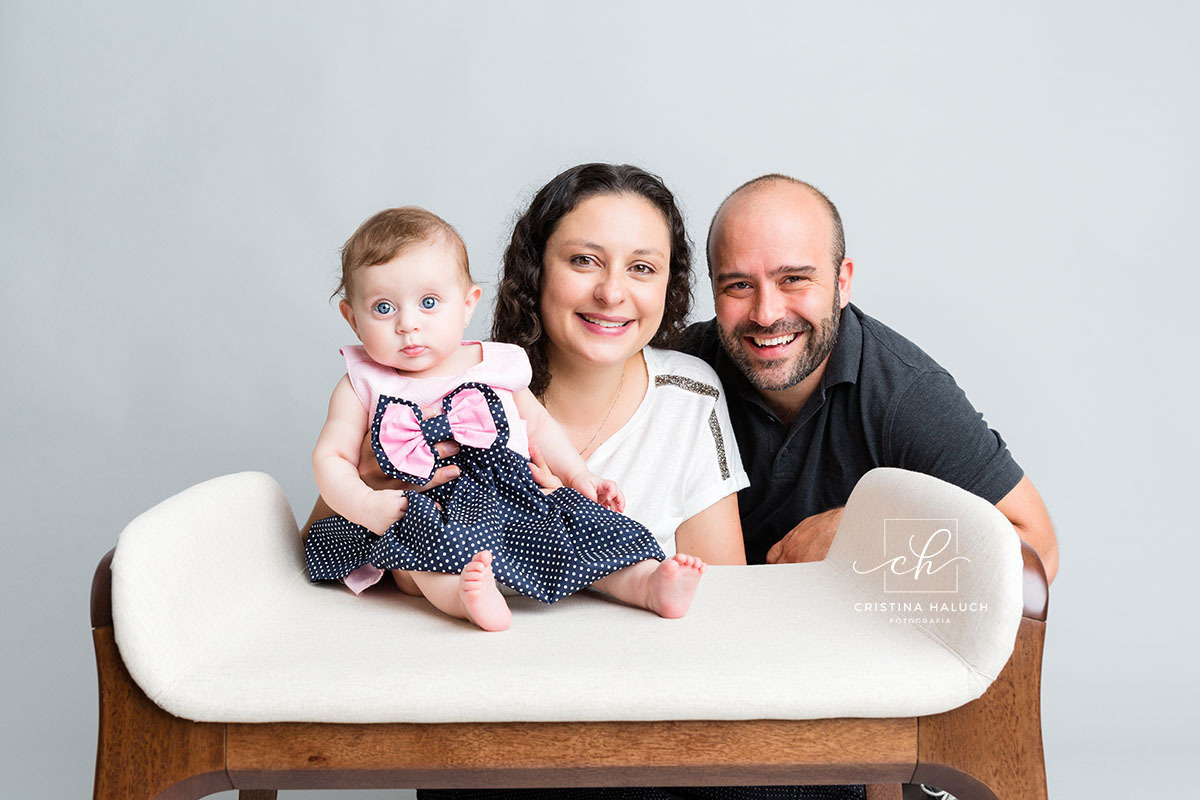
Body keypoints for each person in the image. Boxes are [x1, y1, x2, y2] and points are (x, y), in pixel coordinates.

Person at [304, 205, 707, 632]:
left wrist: (579, 476)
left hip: (516, 495)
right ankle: (465, 598)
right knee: (422, 553)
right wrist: (365, 505)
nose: (408, 325)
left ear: (467, 305)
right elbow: (331, 458)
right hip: (431, 504)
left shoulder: (496, 364)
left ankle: (645, 584)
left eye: (428, 303)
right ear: (352, 318)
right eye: (384, 308)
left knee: (584, 532)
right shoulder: (362, 383)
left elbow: (539, 427)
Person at [680, 173, 1058, 583]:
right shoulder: (676, 369)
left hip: (855, 623)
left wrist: (869, 532)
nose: (766, 314)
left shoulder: (906, 393)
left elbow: (1039, 551)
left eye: (794, 279)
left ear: (842, 283)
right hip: (714, 615)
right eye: (739, 285)